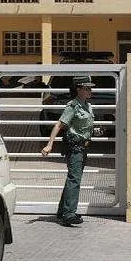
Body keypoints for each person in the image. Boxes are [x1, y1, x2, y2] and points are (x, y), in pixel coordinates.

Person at [41, 76, 95, 226]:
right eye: (86, 88)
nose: (90, 90)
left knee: (73, 179)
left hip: (83, 147)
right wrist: (49, 145)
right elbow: (59, 125)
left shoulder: (87, 106)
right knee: (74, 180)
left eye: (90, 88)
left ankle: (63, 211)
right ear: (78, 89)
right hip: (75, 147)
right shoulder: (73, 106)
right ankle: (69, 214)